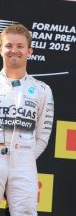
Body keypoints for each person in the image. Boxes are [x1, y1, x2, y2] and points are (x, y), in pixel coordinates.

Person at [0, 23, 54, 216]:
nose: (14, 50)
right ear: (1, 49)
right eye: (8, 45)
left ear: (29, 51)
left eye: (20, 46)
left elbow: (43, 135)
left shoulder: (42, 89)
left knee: (25, 213)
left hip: (24, 162)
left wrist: (23, 156)